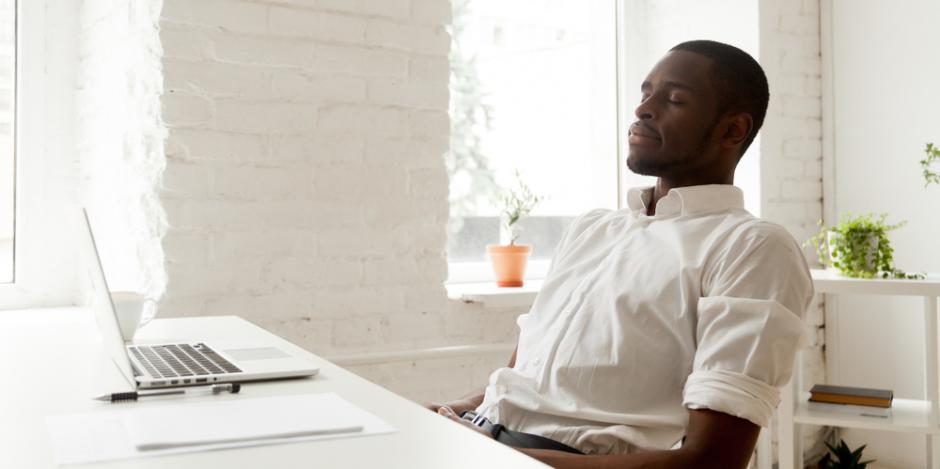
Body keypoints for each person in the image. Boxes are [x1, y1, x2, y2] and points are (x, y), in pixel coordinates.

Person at [428, 40, 814, 469]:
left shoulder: (751, 247)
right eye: (645, 93)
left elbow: (712, 461)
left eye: (674, 99)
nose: (644, 109)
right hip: (480, 439)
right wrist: (452, 413)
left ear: (732, 130)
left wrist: (500, 457)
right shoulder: (592, 228)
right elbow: (526, 382)